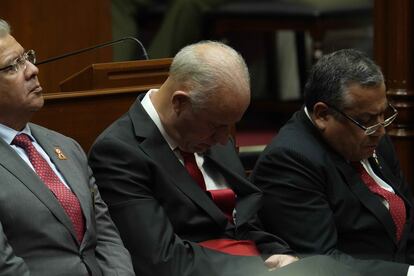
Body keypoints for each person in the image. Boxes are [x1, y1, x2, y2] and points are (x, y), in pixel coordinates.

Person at [88, 40, 360, 276]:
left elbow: (244, 221)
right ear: (179, 103)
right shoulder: (118, 152)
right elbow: (160, 260)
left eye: (230, 126)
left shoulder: (212, 133)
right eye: (217, 126)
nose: (223, 139)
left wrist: (280, 254)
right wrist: (257, 270)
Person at [251, 49, 414, 276]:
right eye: (366, 120)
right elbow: (322, 261)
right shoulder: (289, 161)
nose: (381, 130)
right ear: (322, 115)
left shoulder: (373, 138)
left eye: (383, 114)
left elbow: (409, 219)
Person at [0, 19, 134, 275]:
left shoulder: (66, 146)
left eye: (27, 57)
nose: (32, 70)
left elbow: (106, 235)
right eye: (12, 67)